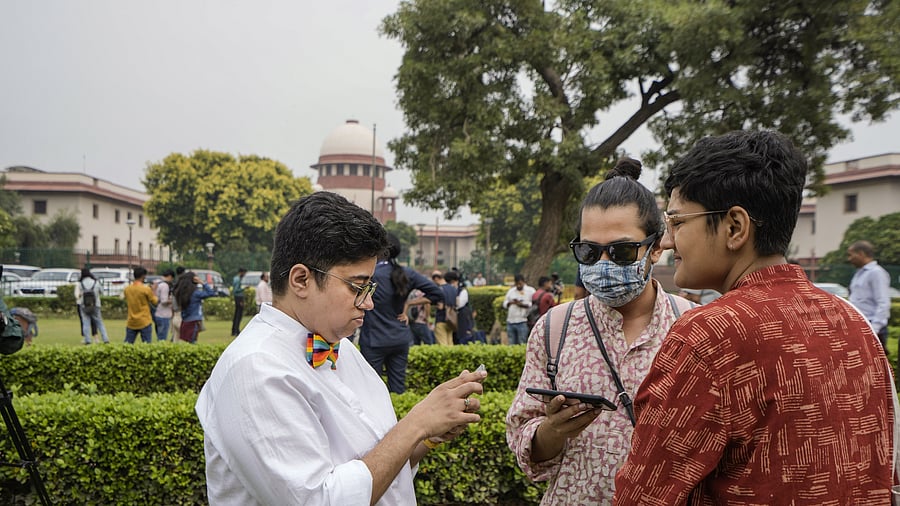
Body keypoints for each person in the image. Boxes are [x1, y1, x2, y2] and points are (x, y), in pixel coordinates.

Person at [615, 131, 896, 504]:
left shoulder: (710, 334)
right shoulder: (854, 323)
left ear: (735, 227)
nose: (666, 242)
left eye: (679, 223)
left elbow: (644, 494)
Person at [195, 191, 486, 504]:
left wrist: (424, 438)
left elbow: (370, 468)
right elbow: (320, 500)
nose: (369, 302)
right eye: (358, 287)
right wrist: (414, 424)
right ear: (301, 280)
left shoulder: (341, 346)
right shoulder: (255, 368)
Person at [506, 157, 696, 504]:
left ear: (655, 248)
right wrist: (552, 431)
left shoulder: (693, 327)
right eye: (589, 252)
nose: (604, 265)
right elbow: (523, 437)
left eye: (622, 251)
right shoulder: (554, 328)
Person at [360, 233, 444, 393]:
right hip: (400, 337)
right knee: (398, 388)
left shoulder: (370, 274)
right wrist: (409, 303)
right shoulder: (407, 273)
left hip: (374, 339)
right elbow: (437, 293)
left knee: (371, 390)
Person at [847, 240, 891, 353]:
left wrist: (874, 329)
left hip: (871, 326)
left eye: (851, 255)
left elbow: (883, 302)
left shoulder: (876, 273)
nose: (849, 259)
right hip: (860, 325)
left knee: (875, 364)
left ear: (861, 254)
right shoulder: (860, 273)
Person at [173, 271, 217, 344]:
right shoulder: (195, 294)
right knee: (193, 342)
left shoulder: (181, 293)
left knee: (186, 343)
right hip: (193, 321)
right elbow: (211, 293)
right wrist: (202, 282)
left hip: (185, 321)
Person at [75, 268, 110, 344]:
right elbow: (102, 292)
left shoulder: (81, 284)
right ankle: (105, 338)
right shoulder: (96, 282)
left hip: (84, 305)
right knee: (99, 322)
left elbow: (78, 295)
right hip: (95, 305)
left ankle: (87, 340)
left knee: (85, 322)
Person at [123, 267, 158, 344]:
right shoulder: (146, 289)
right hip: (144, 320)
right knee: (147, 345)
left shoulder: (127, 289)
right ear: (143, 276)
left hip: (131, 321)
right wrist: (154, 291)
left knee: (127, 345)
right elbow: (155, 301)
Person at [444, 270, 475, 345]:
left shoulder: (462, 291)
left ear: (456, 281)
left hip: (462, 319)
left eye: (451, 282)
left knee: (463, 339)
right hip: (452, 321)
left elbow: (459, 304)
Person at [502, 274, 535, 345]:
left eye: (520, 284)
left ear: (523, 282)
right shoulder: (511, 291)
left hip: (522, 321)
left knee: (522, 342)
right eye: (517, 284)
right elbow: (504, 303)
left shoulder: (530, 291)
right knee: (511, 343)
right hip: (511, 321)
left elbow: (533, 305)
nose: (518, 286)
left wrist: (522, 304)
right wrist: (511, 302)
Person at [432, 271, 455, 346]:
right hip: (451, 320)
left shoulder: (439, 289)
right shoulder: (453, 289)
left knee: (442, 345)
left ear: (436, 278)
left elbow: (440, 306)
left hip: (441, 319)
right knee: (450, 343)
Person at [153, 269, 175, 342]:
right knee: (162, 338)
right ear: (169, 276)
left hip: (158, 313)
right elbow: (164, 301)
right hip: (163, 314)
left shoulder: (158, 283)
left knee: (159, 335)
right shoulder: (165, 286)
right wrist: (173, 301)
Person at [231, 267, 247, 336]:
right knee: (238, 315)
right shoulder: (238, 280)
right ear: (241, 272)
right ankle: (236, 331)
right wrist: (243, 289)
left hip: (237, 297)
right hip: (239, 297)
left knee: (236, 314)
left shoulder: (235, 278)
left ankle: (234, 330)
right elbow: (236, 290)